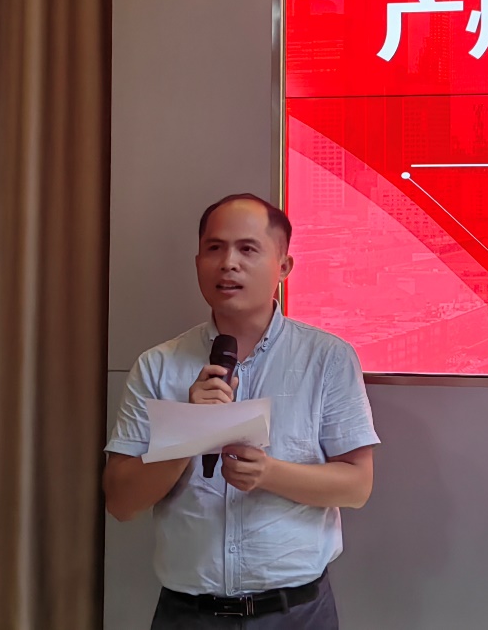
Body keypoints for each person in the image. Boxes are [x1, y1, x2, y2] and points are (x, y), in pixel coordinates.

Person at [103, 193, 379, 629]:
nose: (228, 263)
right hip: (188, 616)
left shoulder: (327, 358)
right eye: (215, 248)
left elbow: (357, 486)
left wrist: (268, 473)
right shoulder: (158, 365)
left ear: (283, 267)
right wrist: (189, 432)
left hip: (296, 613)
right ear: (198, 263)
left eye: (248, 249)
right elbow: (121, 501)